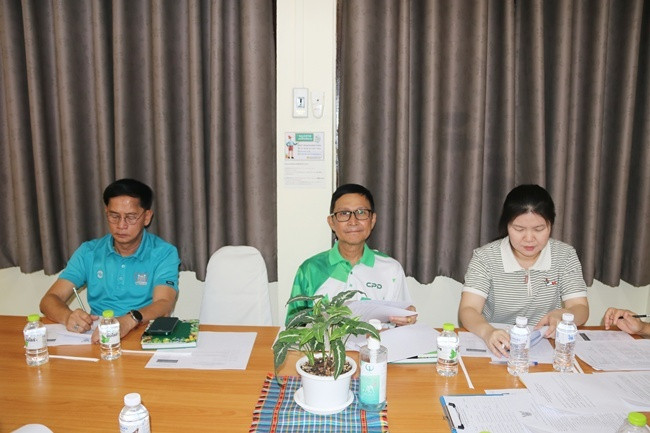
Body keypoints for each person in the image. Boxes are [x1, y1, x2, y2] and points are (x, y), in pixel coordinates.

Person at [40, 178, 180, 343]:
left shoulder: (164, 253)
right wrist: (67, 317)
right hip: (98, 336)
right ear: (106, 212)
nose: (121, 225)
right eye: (114, 216)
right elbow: (48, 300)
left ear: (147, 217)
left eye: (131, 217)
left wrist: (130, 320)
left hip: (143, 333)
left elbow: (164, 303)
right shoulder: (89, 252)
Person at [458, 184, 589, 357]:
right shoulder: (485, 257)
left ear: (551, 225)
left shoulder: (565, 255)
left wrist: (565, 314)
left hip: (547, 344)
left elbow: (580, 308)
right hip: (498, 344)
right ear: (507, 225)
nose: (529, 239)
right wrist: (487, 332)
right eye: (519, 229)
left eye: (539, 229)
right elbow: (468, 309)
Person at [285, 183, 415, 326]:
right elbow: (294, 327)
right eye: (344, 213)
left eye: (361, 212)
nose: (353, 221)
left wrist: (407, 319)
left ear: (372, 220)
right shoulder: (310, 270)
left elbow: (403, 322)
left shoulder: (391, 270)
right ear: (332, 222)